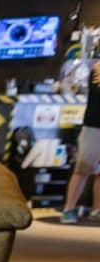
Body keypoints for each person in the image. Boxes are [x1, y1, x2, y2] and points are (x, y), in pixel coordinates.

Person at [62, 60, 100, 224]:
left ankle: (97, 209)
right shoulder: (98, 69)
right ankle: (69, 209)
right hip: (94, 125)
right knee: (83, 168)